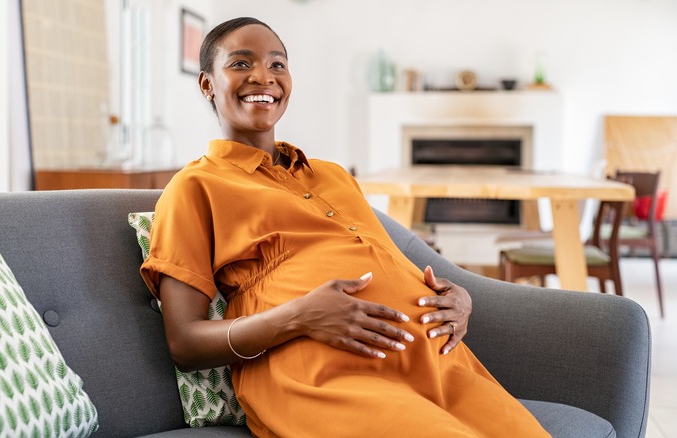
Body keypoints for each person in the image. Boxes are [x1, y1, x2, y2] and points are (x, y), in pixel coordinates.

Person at [140, 17, 548, 437]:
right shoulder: (194, 187)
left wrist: (457, 297)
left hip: (440, 363)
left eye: (277, 65)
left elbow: (386, 263)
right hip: (320, 374)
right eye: (241, 64)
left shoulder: (333, 175)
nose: (264, 76)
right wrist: (300, 316)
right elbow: (184, 344)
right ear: (207, 84)